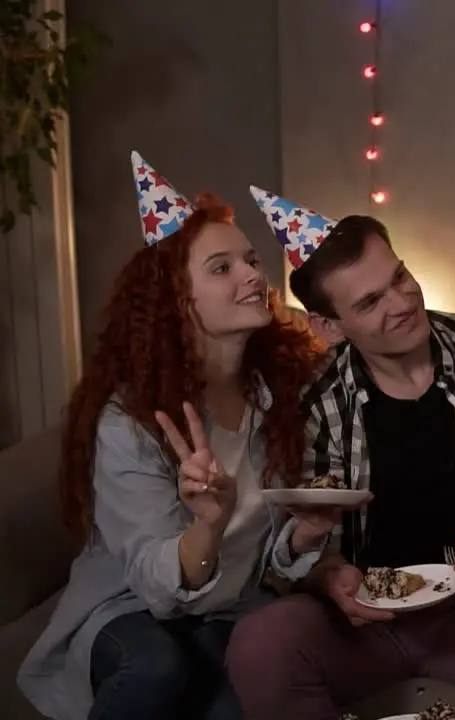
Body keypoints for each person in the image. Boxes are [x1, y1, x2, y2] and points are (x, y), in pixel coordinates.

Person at [223, 186, 455, 720]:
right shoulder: (311, 405)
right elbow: (284, 554)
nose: (401, 303)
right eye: (370, 302)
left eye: (398, 277)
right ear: (328, 326)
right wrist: (327, 576)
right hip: (364, 628)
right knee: (261, 641)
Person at [17, 153, 336, 720]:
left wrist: (302, 536)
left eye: (251, 260)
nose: (253, 277)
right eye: (221, 268)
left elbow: (272, 560)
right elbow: (157, 591)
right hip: (131, 607)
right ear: (174, 301)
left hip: (231, 604)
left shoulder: (280, 395)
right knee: (158, 668)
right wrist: (207, 526)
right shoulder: (131, 420)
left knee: (242, 698)